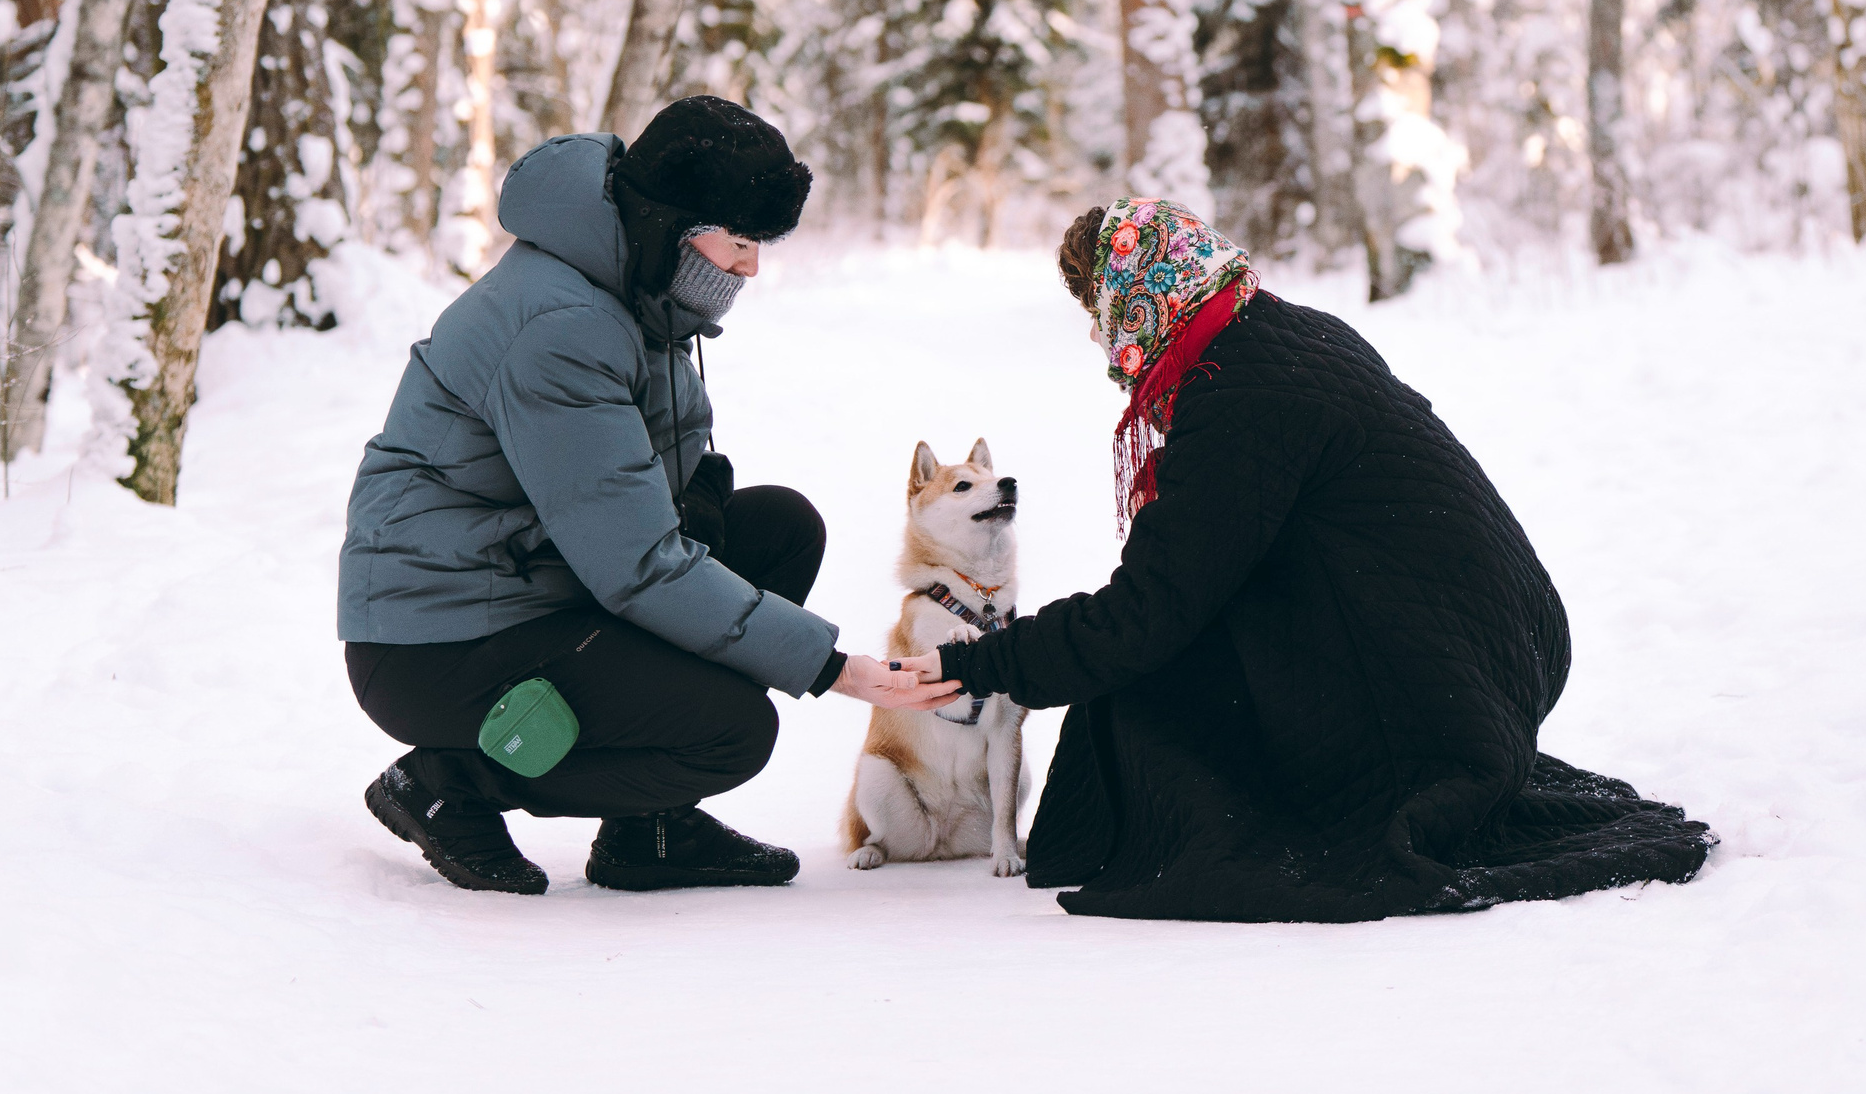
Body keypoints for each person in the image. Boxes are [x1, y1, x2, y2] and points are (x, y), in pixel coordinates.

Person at [897, 198, 1710, 923]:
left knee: (1144, 713)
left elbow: (1149, 609)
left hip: (1441, 684)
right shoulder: (1285, 331)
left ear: (1139, 300)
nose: (1099, 338)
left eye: (1099, 311)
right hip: (1506, 647)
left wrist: (987, 660)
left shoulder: (1233, 396)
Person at [339, 96, 961, 896]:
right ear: (671, 223)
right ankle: (448, 784)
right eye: (738, 242)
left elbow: (635, 507)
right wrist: (834, 667)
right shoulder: (559, 324)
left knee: (776, 528)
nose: (750, 268)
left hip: (541, 580)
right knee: (731, 734)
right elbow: (636, 565)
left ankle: (651, 830)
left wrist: (692, 495)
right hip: (441, 637)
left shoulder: (635, 287)